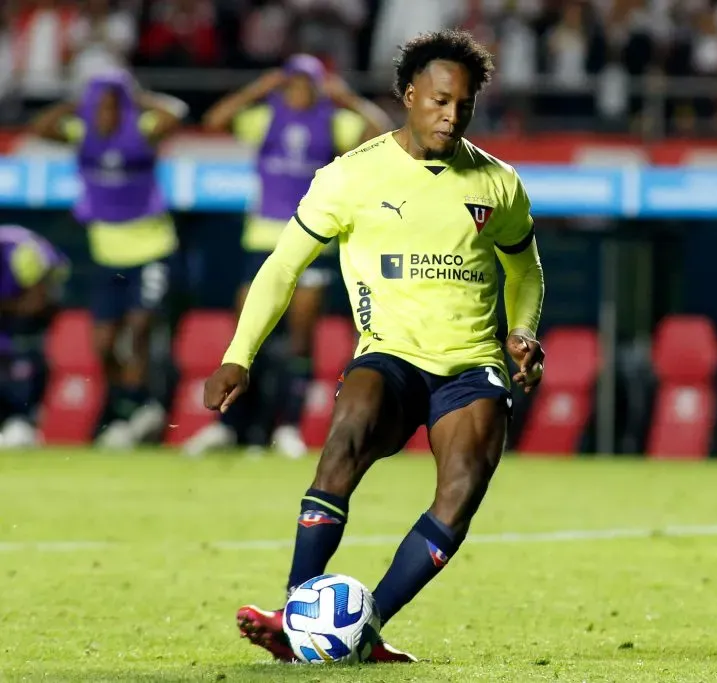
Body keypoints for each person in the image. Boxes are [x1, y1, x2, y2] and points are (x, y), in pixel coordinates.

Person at [202, 29, 545, 662]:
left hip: (471, 365)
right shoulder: (349, 177)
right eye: (440, 101)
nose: (451, 115)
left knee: (463, 486)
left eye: (464, 106)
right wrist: (237, 355)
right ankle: (295, 609)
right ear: (409, 95)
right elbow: (280, 267)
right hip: (389, 355)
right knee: (346, 436)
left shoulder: (497, 184)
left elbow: (525, 268)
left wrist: (522, 331)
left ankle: (365, 629)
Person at [188, 54, 392, 459]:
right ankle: (232, 427)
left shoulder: (333, 121)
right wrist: (257, 89)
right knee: (249, 334)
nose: (298, 91)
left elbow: (380, 135)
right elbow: (214, 121)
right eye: (291, 83)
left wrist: (347, 98)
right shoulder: (266, 116)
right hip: (264, 239)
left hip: (314, 240)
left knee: (300, 340)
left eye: (306, 84)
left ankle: (286, 427)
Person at [29, 70, 187, 449]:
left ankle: (136, 408)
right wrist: (75, 104)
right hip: (107, 254)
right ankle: (129, 404)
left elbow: (176, 113)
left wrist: (135, 96)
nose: (105, 113)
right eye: (99, 106)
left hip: (152, 250)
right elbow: (40, 127)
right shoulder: (83, 134)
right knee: (102, 342)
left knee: (138, 330)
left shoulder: (141, 128)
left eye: (112, 105)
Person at [0, 226, 69, 447]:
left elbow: (36, 302)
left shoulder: (19, 253)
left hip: (32, 314)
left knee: (22, 356)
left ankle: (22, 422)